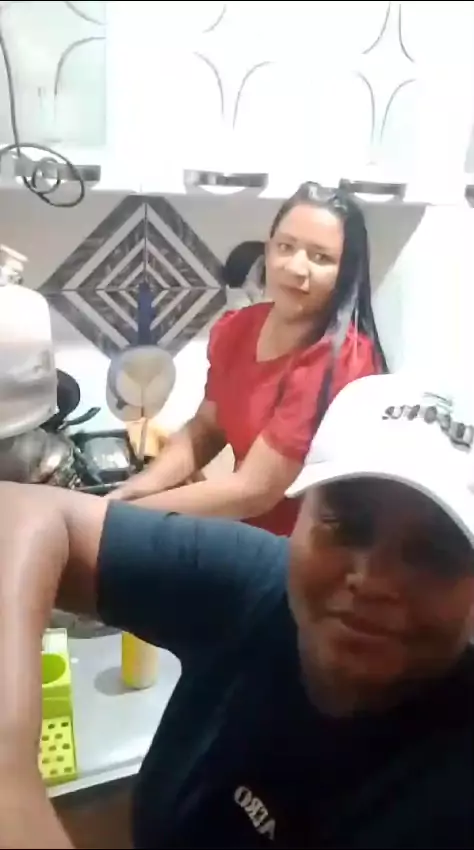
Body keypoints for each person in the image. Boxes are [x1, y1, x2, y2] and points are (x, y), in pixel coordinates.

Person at [0, 374, 473, 850]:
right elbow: (21, 511)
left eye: (437, 553)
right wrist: (11, 774)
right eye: (346, 525)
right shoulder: (257, 589)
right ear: (300, 516)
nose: (372, 580)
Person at [110, 182, 388, 535]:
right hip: (243, 531)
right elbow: (206, 429)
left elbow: (254, 491)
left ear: (345, 272)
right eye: (286, 247)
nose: (296, 267)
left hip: (303, 550)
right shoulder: (238, 329)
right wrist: (136, 489)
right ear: (268, 250)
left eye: (320, 257)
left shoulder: (342, 360)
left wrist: (124, 515)